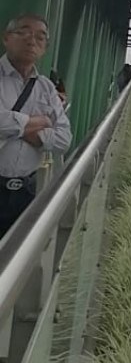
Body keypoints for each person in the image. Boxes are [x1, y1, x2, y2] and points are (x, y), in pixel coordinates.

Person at [0, 13, 71, 238]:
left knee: (13, 260)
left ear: (45, 47)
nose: (32, 41)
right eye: (24, 32)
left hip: (25, 191)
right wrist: (39, 122)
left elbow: (64, 139)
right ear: (7, 38)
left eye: (40, 37)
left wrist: (16, 130)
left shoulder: (47, 88)